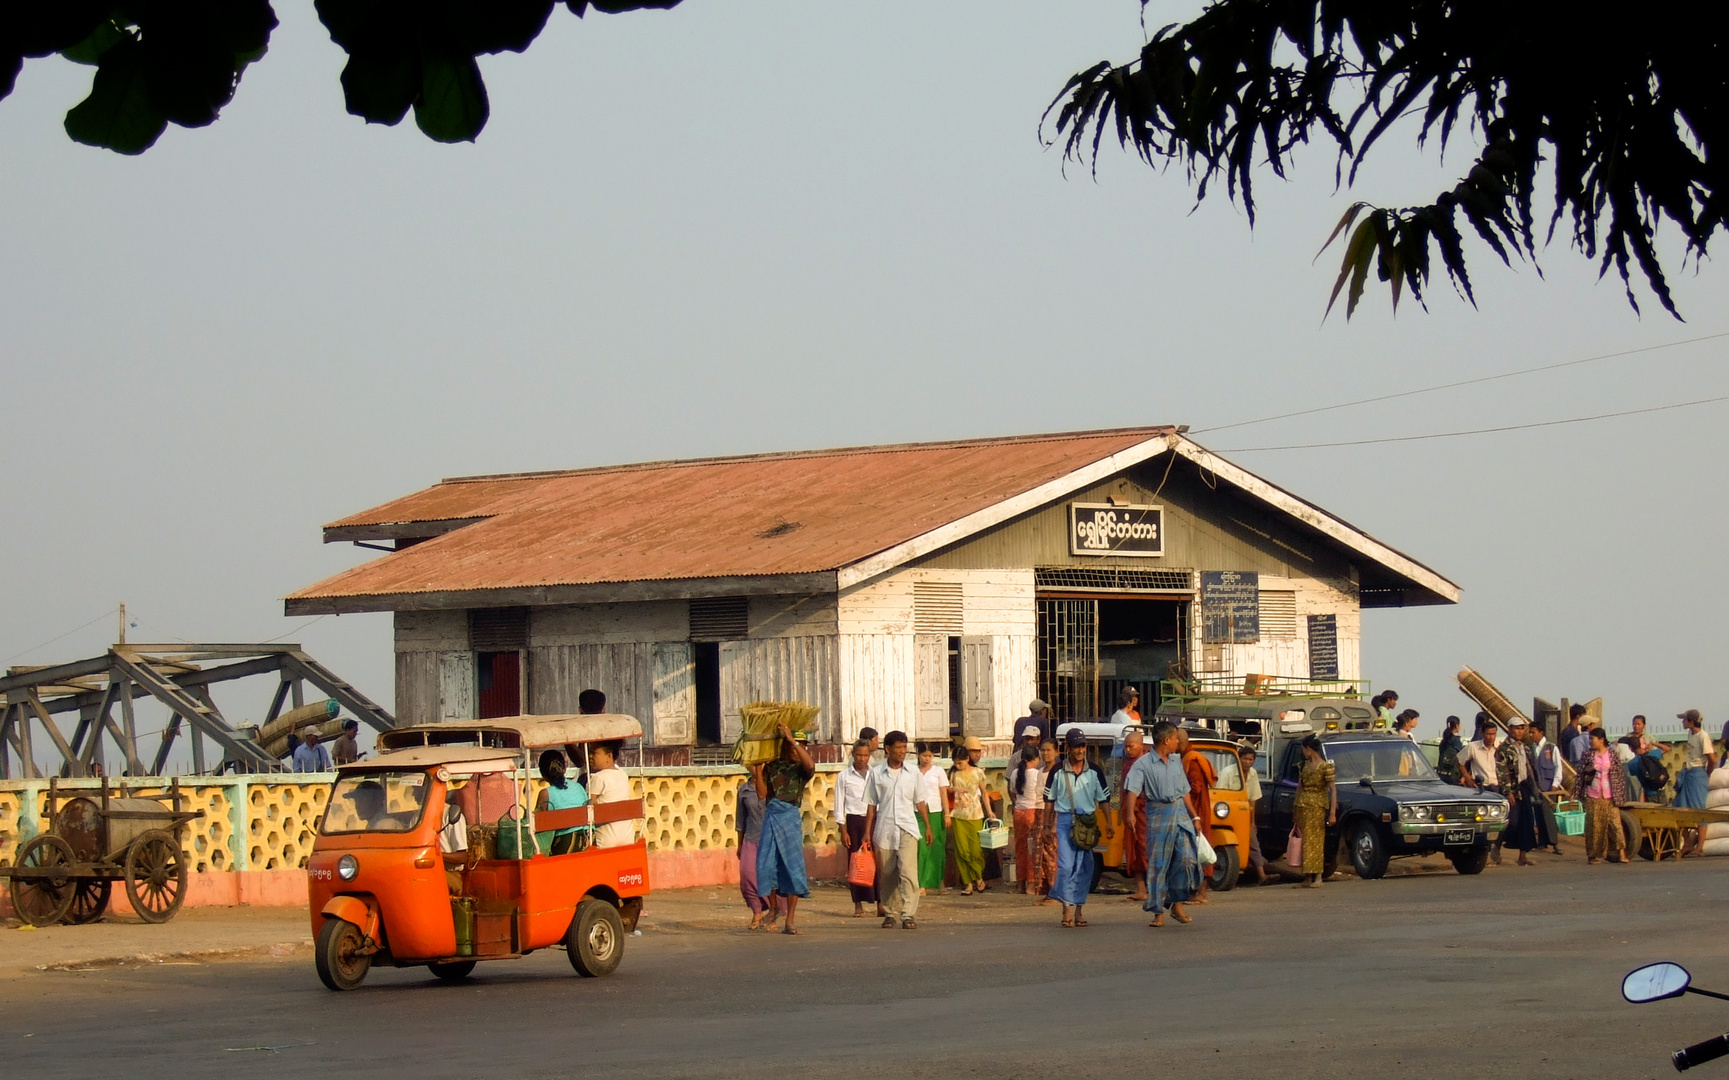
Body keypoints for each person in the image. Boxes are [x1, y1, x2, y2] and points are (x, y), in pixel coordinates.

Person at [1123, 721, 1200, 925]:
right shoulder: (1143, 764)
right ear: (1167, 740)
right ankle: (1158, 912)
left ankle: (1176, 902)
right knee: (1158, 864)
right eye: (1175, 738)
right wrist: (1130, 813)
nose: (1178, 742)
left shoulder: (1176, 761)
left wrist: (1195, 817)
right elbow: (1132, 789)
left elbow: (1185, 792)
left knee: (1186, 859)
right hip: (1157, 814)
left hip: (1180, 814)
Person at [1042, 728, 1113, 927]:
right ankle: (1066, 908)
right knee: (1065, 866)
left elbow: (1104, 799)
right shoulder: (1057, 771)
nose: (1080, 750)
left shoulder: (1095, 770)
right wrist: (1046, 826)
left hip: (1088, 823)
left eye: (1082, 746)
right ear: (1068, 748)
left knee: (1084, 868)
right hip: (1065, 821)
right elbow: (1049, 800)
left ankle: (1079, 909)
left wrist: (1108, 822)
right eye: (1076, 746)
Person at [863, 731, 931, 929]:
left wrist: (927, 827)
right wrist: (867, 832)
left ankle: (908, 914)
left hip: (908, 826)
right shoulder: (876, 773)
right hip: (885, 828)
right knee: (888, 873)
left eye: (904, 747)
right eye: (898, 747)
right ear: (888, 749)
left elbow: (920, 802)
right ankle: (890, 912)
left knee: (909, 872)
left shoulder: (913, 773)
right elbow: (870, 804)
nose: (902, 752)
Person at [754, 724, 816, 934]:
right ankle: (773, 908)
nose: (798, 752)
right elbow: (762, 794)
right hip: (772, 816)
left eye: (802, 747)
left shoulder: (801, 770)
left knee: (792, 868)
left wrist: (795, 742)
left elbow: (811, 765)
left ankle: (790, 920)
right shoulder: (773, 767)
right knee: (767, 865)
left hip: (790, 818)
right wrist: (757, 769)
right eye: (793, 748)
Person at [834, 740, 884, 918]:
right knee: (856, 864)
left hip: (875, 820)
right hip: (854, 822)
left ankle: (880, 902)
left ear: (869, 755)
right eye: (859, 755)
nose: (862, 759)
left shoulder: (876, 774)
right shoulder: (844, 776)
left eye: (865, 755)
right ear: (853, 755)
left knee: (877, 863)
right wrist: (843, 829)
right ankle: (858, 904)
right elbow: (839, 804)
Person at [735, 764, 785, 930]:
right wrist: (739, 844)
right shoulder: (744, 790)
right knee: (747, 876)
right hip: (751, 838)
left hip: (771, 838)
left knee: (771, 878)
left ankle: (774, 912)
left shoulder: (773, 787)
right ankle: (757, 910)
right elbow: (740, 820)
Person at [1573, 727, 1631, 864]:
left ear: (1601, 739)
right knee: (1594, 827)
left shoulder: (1612, 754)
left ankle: (1622, 853)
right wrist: (1575, 793)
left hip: (1610, 795)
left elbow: (1619, 776)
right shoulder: (1588, 754)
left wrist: (1621, 796)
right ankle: (1592, 855)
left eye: (1592, 739)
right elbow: (1580, 775)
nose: (1590, 742)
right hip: (1593, 795)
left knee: (1616, 824)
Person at [1007, 726, 1050, 895]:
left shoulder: (1016, 773)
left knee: (1021, 849)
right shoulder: (1038, 773)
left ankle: (1020, 884)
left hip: (1019, 812)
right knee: (1034, 849)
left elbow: (1012, 792)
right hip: (1033, 812)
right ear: (1036, 758)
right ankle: (1032, 884)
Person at [1500, 719, 1548, 867]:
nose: (1519, 732)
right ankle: (1496, 846)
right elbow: (1502, 771)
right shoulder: (1504, 749)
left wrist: (1537, 788)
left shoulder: (1526, 748)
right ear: (1509, 729)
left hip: (1525, 787)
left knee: (1526, 822)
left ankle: (1523, 856)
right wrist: (1508, 791)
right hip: (1512, 789)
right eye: (1516, 729)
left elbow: (1531, 770)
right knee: (1512, 822)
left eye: (1522, 729)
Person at [948, 736, 992, 894]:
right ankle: (968, 883)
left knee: (975, 850)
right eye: (955, 763)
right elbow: (946, 789)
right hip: (958, 815)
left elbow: (984, 793)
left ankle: (978, 876)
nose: (957, 765)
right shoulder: (953, 773)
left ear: (967, 759)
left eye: (960, 762)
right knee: (962, 851)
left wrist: (990, 811)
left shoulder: (978, 773)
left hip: (975, 814)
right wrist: (954, 790)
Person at [1292, 735, 1336, 887]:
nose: (1303, 753)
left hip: (1317, 806)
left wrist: (1332, 812)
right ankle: (1307, 877)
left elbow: (1333, 789)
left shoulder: (1325, 767)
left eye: (1304, 750)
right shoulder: (1304, 766)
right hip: (1303, 806)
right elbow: (1300, 787)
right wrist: (1296, 808)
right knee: (1305, 841)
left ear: (1309, 749)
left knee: (1315, 841)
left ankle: (1318, 877)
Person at [1178, 728, 1215, 904]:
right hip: (1194, 810)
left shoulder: (1192, 760)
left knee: (1201, 850)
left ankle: (1202, 893)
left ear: (1179, 741)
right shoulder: (1186, 757)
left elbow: (1195, 788)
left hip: (1197, 811)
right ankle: (1195, 891)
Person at [534, 748, 590, 855]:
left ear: (542, 774)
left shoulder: (545, 793)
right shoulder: (578, 786)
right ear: (564, 768)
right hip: (587, 839)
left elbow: (538, 822)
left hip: (564, 843)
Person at [914, 744, 950, 896]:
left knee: (937, 847)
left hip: (936, 811)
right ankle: (921, 883)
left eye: (929, 756)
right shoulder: (913, 771)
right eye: (924, 755)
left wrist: (947, 814)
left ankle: (938, 881)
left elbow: (943, 793)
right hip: (918, 811)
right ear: (918, 755)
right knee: (921, 847)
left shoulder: (938, 771)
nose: (927, 759)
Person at [1119, 729, 1150, 902]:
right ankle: (1141, 890)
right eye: (1125, 747)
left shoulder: (1146, 763)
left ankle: (1154, 887)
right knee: (1133, 852)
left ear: (1141, 746)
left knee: (1146, 849)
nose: (1127, 750)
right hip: (1131, 814)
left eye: (1131, 746)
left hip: (1144, 813)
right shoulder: (1127, 764)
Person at [586, 741, 634, 848]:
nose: (590, 756)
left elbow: (588, 807)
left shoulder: (598, 778)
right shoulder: (623, 774)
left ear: (609, 756)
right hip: (628, 836)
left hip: (605, 839)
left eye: (594, 753)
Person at [1234, 744, 1269, 884]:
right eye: (1245, 759)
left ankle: (1262, 875)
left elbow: (1253, 799)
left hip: (1245, 813)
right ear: (1238, 758)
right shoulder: (1229, 772)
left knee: (1253, 843)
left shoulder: (1253, 773)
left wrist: (1252, 821)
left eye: (1250, 759)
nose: (1248, 762)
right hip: (1230, 812)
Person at [1530, 722, 1566, 856]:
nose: (1531, 735)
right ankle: (1542, 843)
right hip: (1537, 788)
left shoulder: (1551, 748)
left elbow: (1558, 767)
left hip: (1549, 787)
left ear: (1541, 732)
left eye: (1533, 732)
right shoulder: (1531, 749)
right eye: (1530, 732)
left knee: (1548, 815)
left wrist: (1555, 783)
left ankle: (1555, 843)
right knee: (1539, 814)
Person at [1676, 709, 1715, 810]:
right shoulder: (1691, 734)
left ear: (1691, 722)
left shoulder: (1703, 736)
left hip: (1698, 772)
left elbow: (1712, 760)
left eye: (1684, 720)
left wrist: (1706, 773)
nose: (1682, 722)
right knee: (1682, 805)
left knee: (1697, 806)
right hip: (1689, 772)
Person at [1436, 716, 1465, 782]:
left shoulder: (1443, 741)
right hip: (1453, 774)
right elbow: (1461, 757)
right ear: (1457, 726)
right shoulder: (1456, 741)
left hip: (1442, 773)